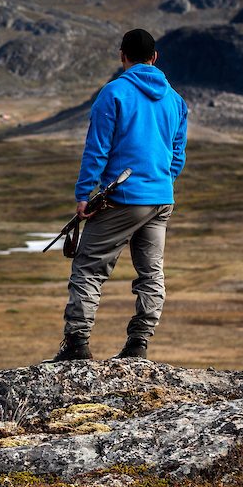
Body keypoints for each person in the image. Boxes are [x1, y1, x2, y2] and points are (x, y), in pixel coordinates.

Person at [47, 28, 187, 362]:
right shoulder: (175, 99)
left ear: (122, 56)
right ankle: (138, 345)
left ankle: (77, 345)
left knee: (88, 268)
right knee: (151, 273)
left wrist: (84, 194)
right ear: (154, 58)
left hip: (121, 198)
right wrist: (161, 182)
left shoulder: (113, 93)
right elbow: (177, 155)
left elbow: (96, 150)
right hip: (160, 199)